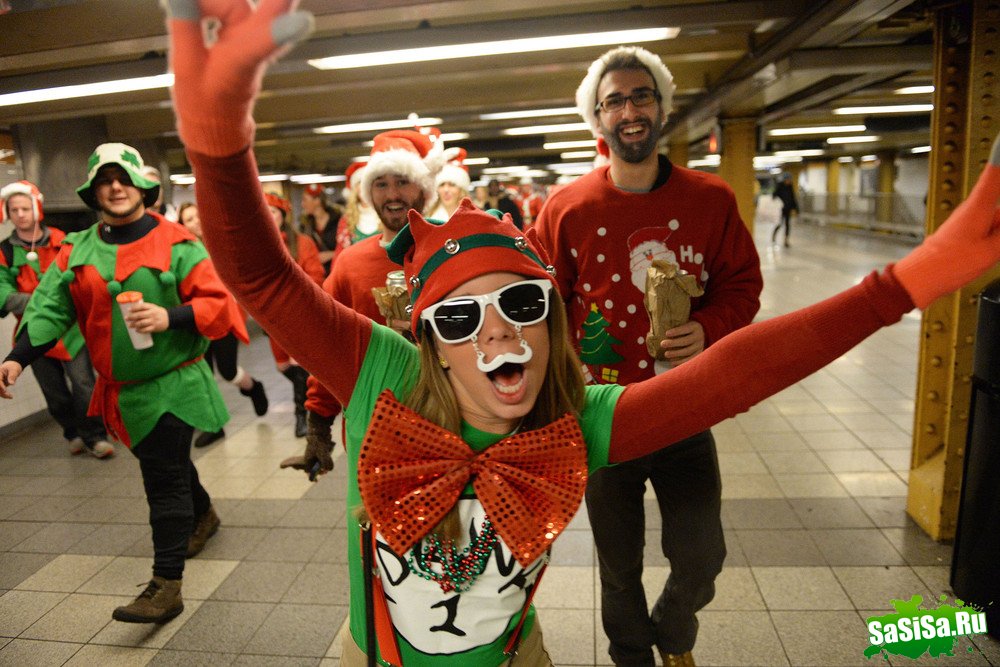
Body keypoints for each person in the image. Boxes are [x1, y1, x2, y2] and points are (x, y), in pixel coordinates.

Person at [158, 2, 1000, 663]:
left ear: (550, 325)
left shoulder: (575, 418)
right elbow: (264, 277)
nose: (496, 335)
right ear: (428, 339)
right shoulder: (379, 370)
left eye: (522, 306)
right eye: (459, 317)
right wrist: (216, 135)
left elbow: (740, 372)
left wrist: (907, 282)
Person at [532, 46, 762, 667]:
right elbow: (541, 301)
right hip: (606, 415)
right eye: (614, 101)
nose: (629, 111)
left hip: (685, 409)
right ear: (597, 118)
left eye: (641, 97)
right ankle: (632, 657)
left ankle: (673, 628)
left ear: (660, 107)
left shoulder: (709, 199)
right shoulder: (567, 208)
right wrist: (557, 377)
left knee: (701, 555)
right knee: (618, 564)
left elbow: (742, 285)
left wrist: (710, 327)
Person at [0, 142, 250, 624]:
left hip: (174, 382)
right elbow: (50, 306)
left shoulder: (179, 242)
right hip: (121, 390)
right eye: (104, 180)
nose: (114, 187)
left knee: (162, 479)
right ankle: (204, 514)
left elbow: (220, 304)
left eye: (123, 178)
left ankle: (166, 585)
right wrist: (18, 358)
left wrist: (170, 315)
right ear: (93, 192)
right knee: (170, 465)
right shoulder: (78, 249)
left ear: (142, 186)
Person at [301, 129, 434, 474]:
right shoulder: (351, 263)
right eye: (380, 184)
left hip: (450, 422)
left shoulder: (455, 251)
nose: (392, 195)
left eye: (403, 181)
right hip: (373, 427)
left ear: (423, 187)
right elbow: (328, 346)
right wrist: (318, 425)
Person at [0, 180, 113, 458]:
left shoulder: (63, 240)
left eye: (25, 208)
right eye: (14, 210)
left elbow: (76, 283)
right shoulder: (4, 252)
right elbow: (3, 297)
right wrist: (46, 301)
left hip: (71, 332)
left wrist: (43, 300)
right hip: (31, 332)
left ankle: (95, 435)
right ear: (7, 213)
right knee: (56, 395)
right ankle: (72, 432)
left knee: (85, 386)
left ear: (37, 209)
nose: (21, 215)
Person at [178, 201, 269, 448]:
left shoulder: (221, 243)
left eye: (197, 216)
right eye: (188, 219)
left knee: (228, 370)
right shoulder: (182, 251)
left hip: (224, 316)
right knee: (204, 373)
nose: (195, 221)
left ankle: (254, 388)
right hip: (198, 319)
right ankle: (214, 426)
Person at [266, 191, 325, 437]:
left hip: (299, 311)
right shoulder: (257, 242)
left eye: (274, 212)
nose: (270, 217)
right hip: (271, 314)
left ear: (283, 215)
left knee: (297, 362)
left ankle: (303, 415)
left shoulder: (301, 242)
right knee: (282, 365)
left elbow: (316, 276)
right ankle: (320, 389)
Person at [301, 183, 339, 273]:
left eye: (305, 200)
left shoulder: (339, 222)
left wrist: (331, 254)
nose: (302, 204)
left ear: (317, 201)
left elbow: (350, 247)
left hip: (337, 271)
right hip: (317, 273)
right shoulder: (305, 225)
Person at [425, 149, 469, 221]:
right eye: (442, 185)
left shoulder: (471, 218)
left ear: (461, 190)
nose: (446, 190)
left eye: (452, 185)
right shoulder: (428, 219)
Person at [772, 172, 798, 247]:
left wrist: (796, 208)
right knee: (779, 223)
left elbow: (793, 197)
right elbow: (774, 196)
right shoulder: (780, 186)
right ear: (784, 180)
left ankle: (786, 240)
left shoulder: (790, 187)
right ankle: (774, 236)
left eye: (790, 180)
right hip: (780, 210)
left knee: (787, 224)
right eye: (787, 180)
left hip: (788, 208)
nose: (789, 181)